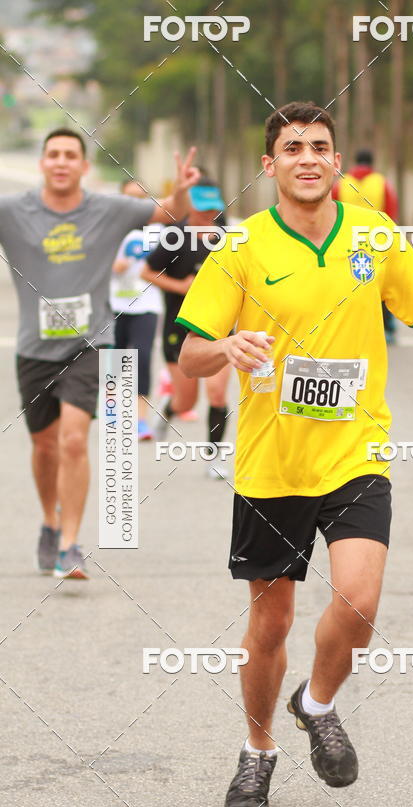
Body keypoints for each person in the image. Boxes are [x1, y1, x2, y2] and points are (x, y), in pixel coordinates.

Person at [176, 100, 413, 807]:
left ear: (336, 162)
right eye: (292, 147)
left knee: (359, 600)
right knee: (271, 625)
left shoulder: (376, 234)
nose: (307, 157)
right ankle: (257, 753)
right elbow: (190, 352)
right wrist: (224, 348)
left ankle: (317, 701)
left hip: (358, 453)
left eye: (319, 146)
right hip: (271, 463)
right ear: (271, 165)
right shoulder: (240, 248)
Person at [0, 128, 200, 578]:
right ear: (43, 163)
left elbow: (169, 213)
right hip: (34, 348)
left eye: (71, 154)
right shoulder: (13, 210)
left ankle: (70, 544)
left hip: (90, 342)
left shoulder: (108, 209)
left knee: (74, 438)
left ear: (84, 166)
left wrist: (181, 192)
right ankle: (50, 525)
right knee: (44, 445)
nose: (62, 161)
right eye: (53, 154)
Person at [141, 177, 232, 479]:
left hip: (219, 328)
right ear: (191, 205)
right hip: (179, 327)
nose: (208, 215)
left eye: (213, 209)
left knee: (218, 394)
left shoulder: (226, 238)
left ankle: (215, 457)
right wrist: (180, 286)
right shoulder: (174, 236)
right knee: (187, 401)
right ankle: (169, 408)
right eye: (203, 209)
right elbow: (147, 272)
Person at [110, 180, 163, 441]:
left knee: (142, 358)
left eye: (141, 198)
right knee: (116, 362)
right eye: (130, 198)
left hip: (147, 305)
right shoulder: (108, 229)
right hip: (114, 305)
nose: (135, 205)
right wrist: (114, 265)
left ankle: (141, 420)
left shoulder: (159, 232)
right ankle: (115, 415)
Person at [333, 148, 399, 343]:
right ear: (372, 162)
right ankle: (387, 329)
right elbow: (390, 212)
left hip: (347, 241)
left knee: (350, 285)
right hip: (377, 241)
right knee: (381, 285)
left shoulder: (342, 183)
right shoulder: (382, 183)